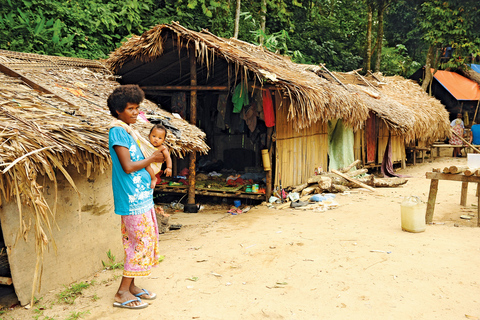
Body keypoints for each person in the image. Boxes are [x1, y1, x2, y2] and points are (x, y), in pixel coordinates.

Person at [107, 85, 165, 309]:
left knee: (143, 240)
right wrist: (152, 159)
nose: (134, 112)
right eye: (130, 108)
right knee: (140, 242)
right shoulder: (118, 131)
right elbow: (128, 166)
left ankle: (131, 286)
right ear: (118, 110)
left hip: (142, 196)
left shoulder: (130, 131)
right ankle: (122, 292)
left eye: (136, 108)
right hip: (131, 198)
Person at [145, 124, 172, 189]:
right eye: (154, 136)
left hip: (155, 166)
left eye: (160, 138)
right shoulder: (147, 145)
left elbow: (168, 157)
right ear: (149, 136)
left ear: (163, 140)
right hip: (148, 164)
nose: (156, 139)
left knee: (146, 166)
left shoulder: (163, 148)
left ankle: (154, 179)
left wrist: (169, 167)